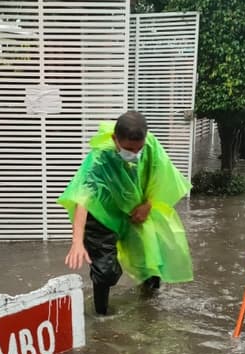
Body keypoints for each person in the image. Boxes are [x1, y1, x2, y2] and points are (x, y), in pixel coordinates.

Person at [59, 111, 194, 315]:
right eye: (129, 149)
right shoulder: (99, 157)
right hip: (102, 213)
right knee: (105, 271)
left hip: (136, 209)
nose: (135, 153)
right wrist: (77, 241)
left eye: (139, 148)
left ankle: (150, 310)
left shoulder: (150, 145)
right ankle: (101, 317)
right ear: (115, 139)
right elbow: (82, 197)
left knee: (150, 260)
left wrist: (148, 205)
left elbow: (161, 177)